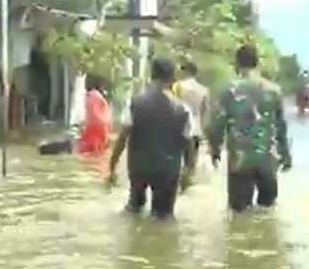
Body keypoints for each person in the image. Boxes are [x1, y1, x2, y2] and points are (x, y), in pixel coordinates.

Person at [107, 58, 195, 220]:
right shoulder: (183, 109)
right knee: (164, 218)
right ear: (173, 78)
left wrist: (112, 166)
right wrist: (188, 171)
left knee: (133, 210)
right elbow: (188, 143)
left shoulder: (135, 103)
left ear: (151, 75)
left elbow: (123, 136)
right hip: (168, 170)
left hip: (139, 167)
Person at [209, 45, 292, 213]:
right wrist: (285, 155)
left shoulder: (228, 90)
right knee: (267, 212)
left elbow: (218, 124)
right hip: (267, 160)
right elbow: (281, 127)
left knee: (239, 214)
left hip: (240, 161)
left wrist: (215, 149)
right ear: (257, 63)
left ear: (237, 63)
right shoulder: (274, 90)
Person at [176, 62, 211, 163]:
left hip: (179, 128)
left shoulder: (178, 87)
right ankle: (190, 176)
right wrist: (205, 131)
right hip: (196, 129)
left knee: (178, 160)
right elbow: (206, 112)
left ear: (186, 71)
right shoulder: (203, 90)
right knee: (191, 161)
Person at [78, 75, 112, 155]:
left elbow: (94, 117)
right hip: (100, 134)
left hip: (93, 135)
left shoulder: (92, 96)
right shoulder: (98, 97)